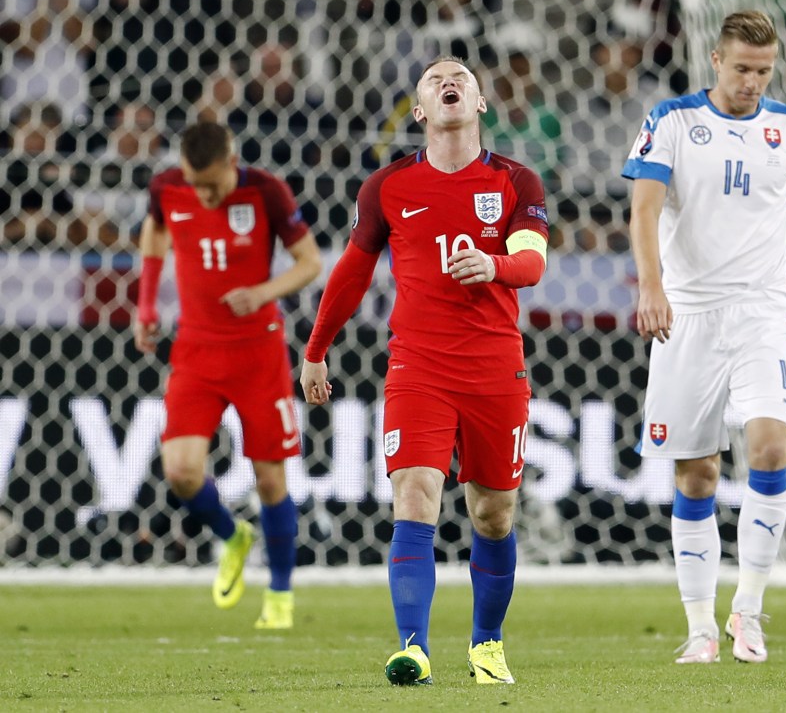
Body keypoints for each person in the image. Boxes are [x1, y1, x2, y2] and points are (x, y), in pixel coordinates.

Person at [299, 56, 549, 686]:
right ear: (419, 111)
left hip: (496, 370)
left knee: (493, 513)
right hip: (418, 367)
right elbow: (352, 273)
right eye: (437, 80)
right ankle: (413, 647)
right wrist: (315, 349)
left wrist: (493, 266)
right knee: (414, 495)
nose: (450, 83)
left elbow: (532, 262)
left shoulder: (518, 182)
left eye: (462, 78)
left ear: (481, 103)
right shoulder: (386, 187)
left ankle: (487, 645)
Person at [621, 10, 786, 664]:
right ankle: (699, 628)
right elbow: (644, 208)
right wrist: (651, 287)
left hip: (763, 313)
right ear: (716, 61)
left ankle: (748, 611)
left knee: (770, 449)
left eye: (762, 71)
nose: (751, 82)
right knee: (698, 474)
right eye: (741, 68)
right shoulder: (674, 121)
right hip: (689, 314)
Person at [133, 121, 322, 629]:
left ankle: (279, 594)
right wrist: (146, 302)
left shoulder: (267, 191)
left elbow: (310, 262)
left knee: (269, 479)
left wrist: (262, 293)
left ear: (232, 159)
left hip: (257, 351)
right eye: (197, 184)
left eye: (213, 184)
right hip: (196, 348)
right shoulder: (167, 187)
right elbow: (155, 230)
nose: (204, 194)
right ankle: (232, 535)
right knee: (181, 471)